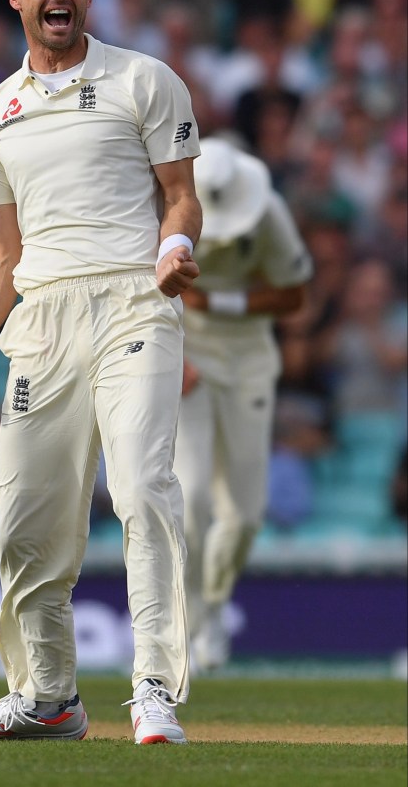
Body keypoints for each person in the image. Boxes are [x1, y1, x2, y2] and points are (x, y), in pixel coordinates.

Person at [0, 0, 202, 744]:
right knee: (23, 523)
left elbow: (180, 196)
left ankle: (153, 687)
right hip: (40, 321)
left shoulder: (144, 81)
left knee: (142, 487)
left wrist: (175, 247)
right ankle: (48, 698)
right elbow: (2, 253)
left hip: (134, 302)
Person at [172, 135, 313, 671]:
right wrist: (174, 350)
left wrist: (221, 301)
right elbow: (141, 284)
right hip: (188, 357)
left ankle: (213, 610)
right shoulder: (163, 203)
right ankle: (184, 631)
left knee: (245, 514)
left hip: (250, 363)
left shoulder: (268, 212)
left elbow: (295, 295)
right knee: (190, 502)